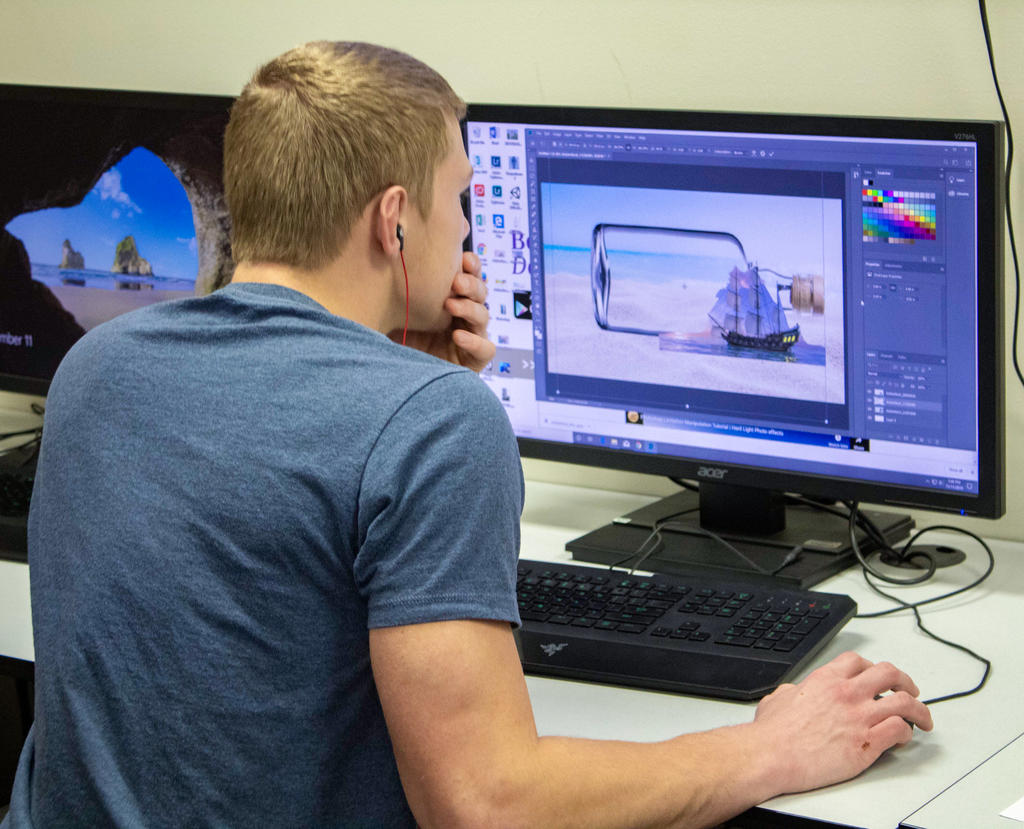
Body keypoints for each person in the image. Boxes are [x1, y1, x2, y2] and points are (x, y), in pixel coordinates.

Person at [2, 41, 932, 829]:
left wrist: (407, 373)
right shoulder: (430, 424)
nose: (469, 235)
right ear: (394, 221)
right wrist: (767, 747)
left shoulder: (98, 369)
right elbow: (486, 804)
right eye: (460, 203)